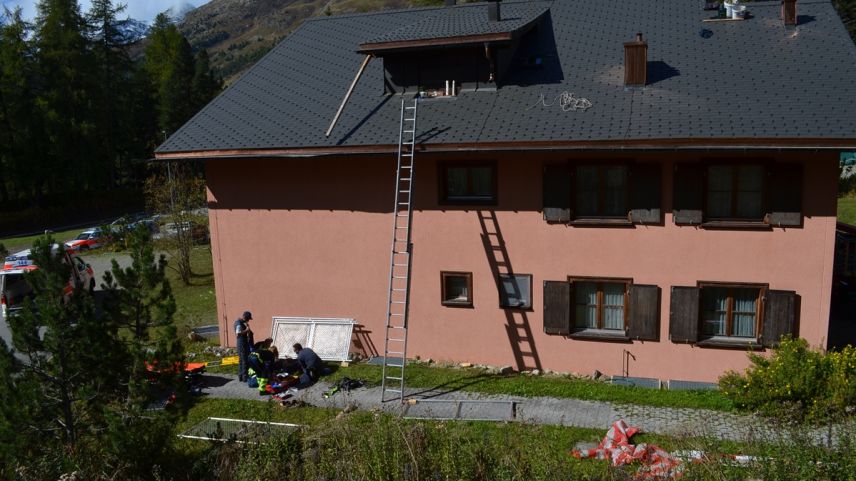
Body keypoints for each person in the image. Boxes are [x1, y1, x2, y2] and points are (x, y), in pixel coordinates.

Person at [234, 311, 253, 382]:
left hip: (242, 343)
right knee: (244, 360)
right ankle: (244, 377)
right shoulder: (239, 323)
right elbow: (238, 334)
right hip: (241, 343)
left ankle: (241, 376)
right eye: (248, 319)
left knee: (241, 360)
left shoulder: (241, 323)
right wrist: (246, 330)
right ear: (246, 317)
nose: (248, 320)